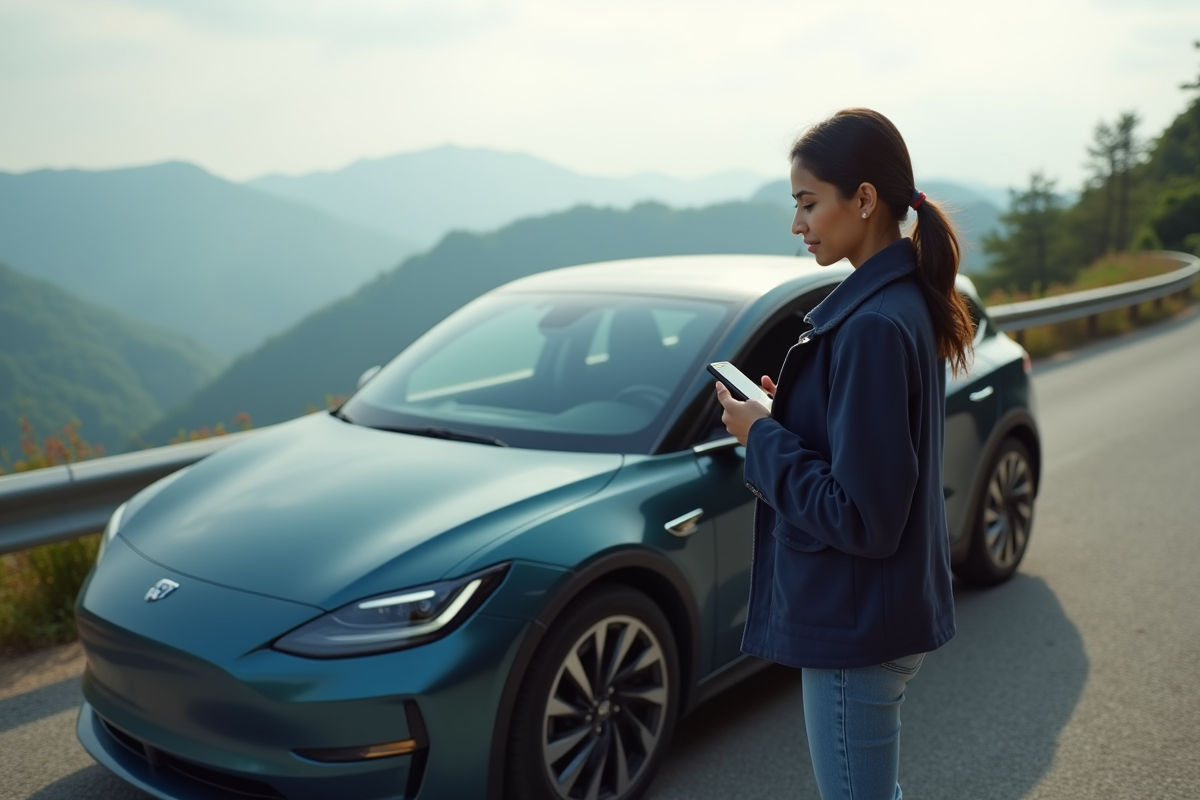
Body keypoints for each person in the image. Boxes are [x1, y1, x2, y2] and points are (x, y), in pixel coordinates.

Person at [715, 108, 974, 800]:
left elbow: (864, 517)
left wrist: (760, 436)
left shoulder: (872, 325)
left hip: (854, 628)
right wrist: (788, 416)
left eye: (807, 203)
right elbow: (870, 456)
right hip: (878, 613)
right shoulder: (899, 302)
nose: (797, 224)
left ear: (863, 199)